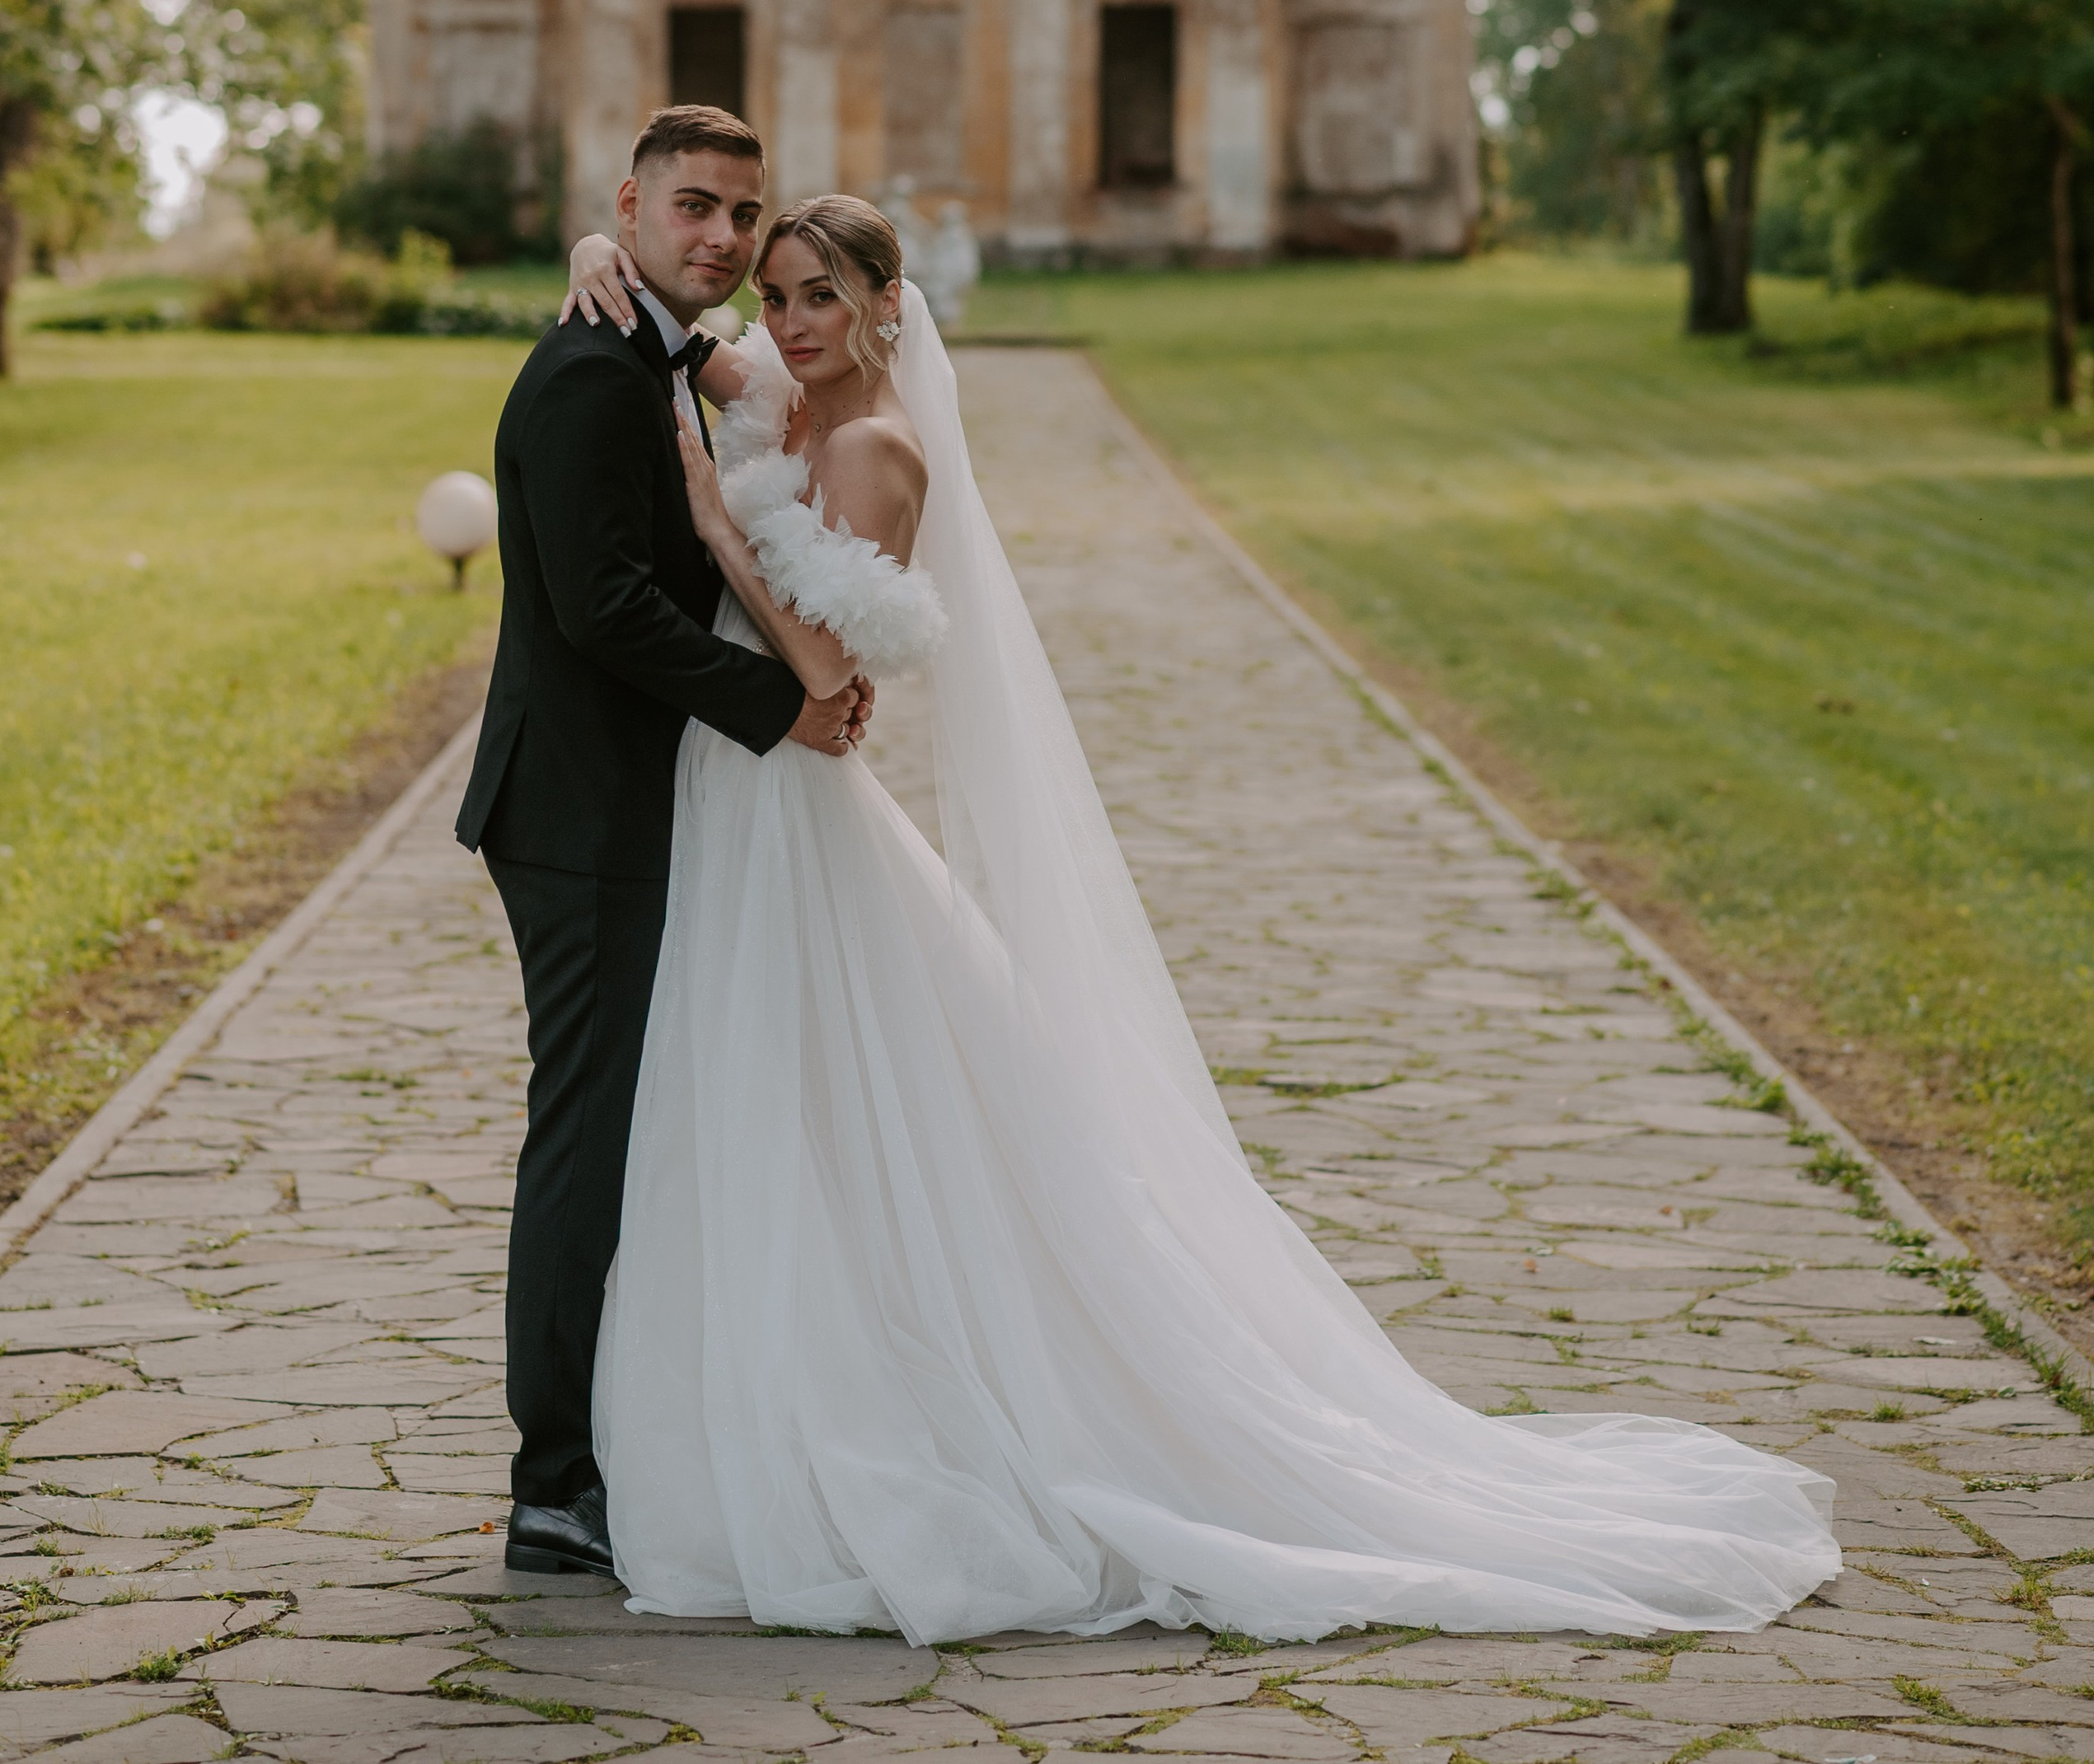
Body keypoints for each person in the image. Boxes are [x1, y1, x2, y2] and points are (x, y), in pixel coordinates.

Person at [553, 190, 1841, 1643]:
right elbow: (687, 330)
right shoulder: (793, 389)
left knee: (819, 1098)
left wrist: (719, 521)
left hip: (788, 797)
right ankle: (751, 1406)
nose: (785, 322)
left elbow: (818, 672)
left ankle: (867, 1427)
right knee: (758, 1105)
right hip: (741, 806)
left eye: (816, 298)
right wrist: (599, 253)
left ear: (883, 309)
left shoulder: (876, 444)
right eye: (778, 295)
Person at [459, 105, 871, 1582]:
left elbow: (700, 357)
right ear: (632, 204)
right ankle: (552, 1485)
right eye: (689, 207)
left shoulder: (649, 343)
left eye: (739, 217)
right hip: (577, 812)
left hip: (632, 797)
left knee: (627, 1121)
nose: (720, 236)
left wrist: (619, 269)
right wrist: (784, 709)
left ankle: (624, 1438)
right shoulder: (585, 375)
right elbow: (604, 610)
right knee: (584, 1133)